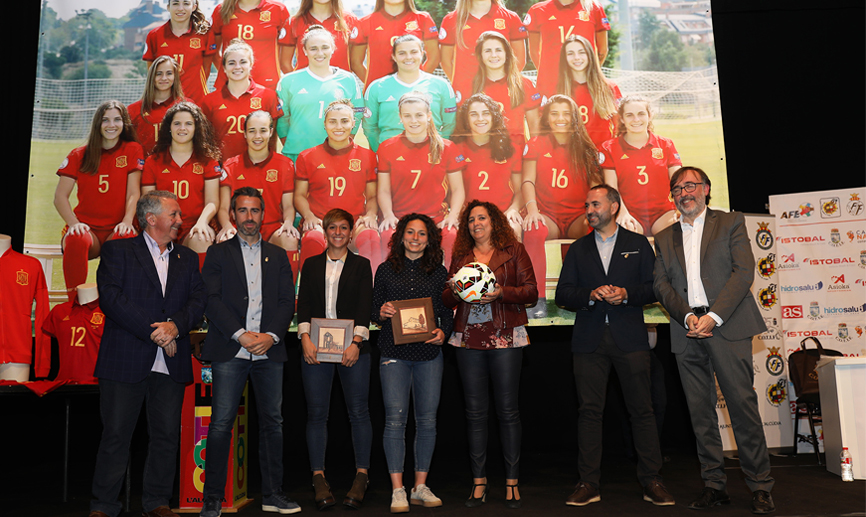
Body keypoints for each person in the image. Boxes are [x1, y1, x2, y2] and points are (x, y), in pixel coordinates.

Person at [652, 166, 775, 515]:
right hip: (686, 330)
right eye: (677, 189)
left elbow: (744, 272)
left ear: (706, 188)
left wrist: (713, 316)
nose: (684, 193)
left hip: (727, 324)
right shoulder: (663, 236)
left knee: (742, 407)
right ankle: (714, 485)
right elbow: (661, 285)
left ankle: (760, 486)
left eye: (690, 186)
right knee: (700, 414)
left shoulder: (731, 222)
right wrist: (687, 317)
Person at [554, 184, 673, 507]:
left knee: (642, 410)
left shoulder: (638, 244)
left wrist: (627, 294)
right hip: (589, 341)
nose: (589, 210)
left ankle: (652, 480)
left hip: (630, 338)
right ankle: (588, 483)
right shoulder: (578, 249)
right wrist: (590, 295)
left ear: (614, 206)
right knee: (589, 413)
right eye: (587, 205)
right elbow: (563, 294)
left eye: (595, 204)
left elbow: (654, 288)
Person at [88, 190, 206, 517]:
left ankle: (157, 502)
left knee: (166, 436)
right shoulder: (118, 251)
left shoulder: (187, 258)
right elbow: (111, 298)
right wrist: (156, 332)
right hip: (124, 359)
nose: (180, 220)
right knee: (116, 436)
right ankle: (103, 506)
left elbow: (198, 300)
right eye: (174, 214)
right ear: (151, 219)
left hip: (171, 361)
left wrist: (175, 327)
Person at [199, 187, 299, 517]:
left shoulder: (278, 255)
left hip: (269, 352)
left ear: (263, 215)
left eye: (255, 210)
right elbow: (211, 300)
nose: (249, 217)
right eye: (242, 210)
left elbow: (286, 301)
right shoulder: (217, 253)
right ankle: (212, 497)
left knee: (273, 424)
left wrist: (270, 336)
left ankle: (273, 494)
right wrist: (241, 335)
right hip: (231, 350)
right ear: (233, 215)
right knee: (220, 424)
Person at [443, 200, 537, 509]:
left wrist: (501, 293)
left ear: (494, 221)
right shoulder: (461, 257)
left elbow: (531, 291)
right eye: (471, 220)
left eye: (481, 218)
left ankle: (512, 482)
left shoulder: (514, 250)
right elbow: (446, 298)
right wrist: (455, 290)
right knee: (474, 413)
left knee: (508, 411)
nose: (476, 224)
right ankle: (479, 482)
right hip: (468, 338)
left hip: (505, 335)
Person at [372, 213, 453, 514]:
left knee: (427, 421)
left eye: (421, 233)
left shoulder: (439, 272)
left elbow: (446, 313)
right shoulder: (385, 270)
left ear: (429, 239)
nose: (415, 238)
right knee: (395, 420)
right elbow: (373, 310)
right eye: (410, 232)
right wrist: (381, 311)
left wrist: (444, 332)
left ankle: (420, 486)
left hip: (429, 355)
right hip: (393, 354)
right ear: (401, 236)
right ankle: (398, 490)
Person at [296, 208, 374, 511]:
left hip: (353, 349)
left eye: (343, 227)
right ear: (325, 232)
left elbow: (365, 307)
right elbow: (304, 305)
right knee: (317, 414)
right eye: (332, 228)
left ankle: (362, 476)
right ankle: (318, 477)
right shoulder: (311, 264)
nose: (338, 233)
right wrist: (304, 339)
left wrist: (356, 343)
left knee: (359, 413)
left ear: (351, 233)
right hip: (315, 348)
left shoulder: (362, 265)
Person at [54, 100, 143, 301]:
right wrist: (74, 224)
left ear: (124, 123)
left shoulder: (132, 149)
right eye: (105, 120)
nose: (111, 125)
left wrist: (127, 220)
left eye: (117, 120)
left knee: (126, 237)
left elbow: (133, 193)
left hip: (116, 228)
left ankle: (115, 304)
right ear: (97, 123)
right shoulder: (79, 154)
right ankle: (75, 304)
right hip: (88, 230)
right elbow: (60, 197)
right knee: (76, 238)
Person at [521, 94, 601, 317]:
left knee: (595, 228)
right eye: (554, 113)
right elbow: (527, 180)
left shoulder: (585, 146)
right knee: (534, 229)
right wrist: (532, 210)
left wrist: (593, 211)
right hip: (548, 215)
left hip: (577, 216)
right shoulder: (536, 143)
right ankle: (537, 299)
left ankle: (583, 294)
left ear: (575, 117)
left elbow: (596, 187)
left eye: (566, 114)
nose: (560, 118)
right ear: (546, 117)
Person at [376, 91, 464, 267]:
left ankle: (449, 282)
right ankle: (391, 283)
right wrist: (388, 215)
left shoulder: (446, 147)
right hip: (400, 219)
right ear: (400, 117)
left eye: (419, 115)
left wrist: (453, 216)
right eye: (407, 116)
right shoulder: (387, 147)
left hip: (436, 218)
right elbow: (383, 190)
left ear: (429, 116)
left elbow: (458, 189)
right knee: (387, 236)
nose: (413, 121)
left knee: (452, 236)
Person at [294, 100, 379, 274]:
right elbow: (299, 195)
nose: (338, 127)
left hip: (354, 223)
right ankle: (313, 288)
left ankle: (369, 288)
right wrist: (309, 216)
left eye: (344, 121)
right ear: (324, 124)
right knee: (312, 239)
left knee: (370, 236)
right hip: (320, 222)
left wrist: (370, 214)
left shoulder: (367, 156)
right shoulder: (307, 156)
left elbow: (372, 196)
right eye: (332, 121)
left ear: (353, 123)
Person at [216, 111, 299, 279]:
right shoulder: (231, 166)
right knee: (226, 241)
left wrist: (288, 222)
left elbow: (288, 205)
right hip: (239, 228)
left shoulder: (285, 164)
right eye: (252, 131)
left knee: (289, 238)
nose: (258, 136)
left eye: (263, 130)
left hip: (272, 228)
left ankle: (286, 292)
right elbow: (223, 208)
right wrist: (227, 226)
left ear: (271, 132)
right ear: (245, 134)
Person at [141, 101, 222, 268]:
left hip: (193, 224)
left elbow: (212, 201)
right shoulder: (153, 161)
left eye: (188, 124)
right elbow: (147, 202)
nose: (182, 128)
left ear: (196, 128)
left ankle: (201, 286)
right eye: (177, 123)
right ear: (169, 127)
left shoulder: (207, 160)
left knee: (201, 238)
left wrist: (202, 222)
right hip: (163, 226)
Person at [276, 25, 365, 162]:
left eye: (325, 47)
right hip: (297, 154)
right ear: (305, 51)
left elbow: (357, 112)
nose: (319, 53)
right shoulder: (288, 81)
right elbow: (282, 118)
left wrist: (343, 141)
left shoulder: (347, 79)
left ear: (333, 49)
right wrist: (293, 143)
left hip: (335, 154)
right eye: (313, 48)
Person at [600, 95, 682, 237]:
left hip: (663, 213)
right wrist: (622, 213)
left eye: (641, 114)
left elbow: (679, 181)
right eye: (629, 115)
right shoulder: (609, 148)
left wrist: (682, 208)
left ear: (650, 116)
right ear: (621, 119)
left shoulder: (665, 144)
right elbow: (612, 188)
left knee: (677, 233)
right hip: (630, 212)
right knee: (627, 237)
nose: (636, 119)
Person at [364, 35, 457, 152]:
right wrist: (382, 152)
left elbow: (449, 124)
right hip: (391, 155)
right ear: (394, 56)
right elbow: (369, 128)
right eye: (402, 53)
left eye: (414, 52)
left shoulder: (441, 85)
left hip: (430, 154)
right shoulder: (377, 87)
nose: (408, 57)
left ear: (422, 54)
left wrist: (437, 149)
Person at [451, 93, 523, 236]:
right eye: (474, 114)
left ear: (493, 117)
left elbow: (520, 190)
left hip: (502, 213)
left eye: (485, 113)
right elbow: (452, 190)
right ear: (466, 119)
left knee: (513, 230)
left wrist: (513, 209)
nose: (480, 119)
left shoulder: (510, 148)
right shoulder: (456, 149)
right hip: (469, 217)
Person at [201, 39, 284, 161]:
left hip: (259, 167)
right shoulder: (209, 101)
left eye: (243, 62)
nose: (237, 67)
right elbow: (205, 140)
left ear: (251, 64)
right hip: (222, 168)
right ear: (224, 67)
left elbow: (272, 138)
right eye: (231, 63)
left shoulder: (268, 96)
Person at [438, 0, 526, 106]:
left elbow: (519, 60)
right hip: (465, 93)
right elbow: (446, 61)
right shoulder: (451, 20)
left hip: (500, 91)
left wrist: (501, 82)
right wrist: (462, 83)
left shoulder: (510, 18)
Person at [524, 0, 610, 98]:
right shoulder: (538, 10)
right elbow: (534, 52)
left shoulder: (594, 7)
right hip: (550, 86)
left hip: (586, 84)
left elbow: (602, 51)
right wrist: (548, 74)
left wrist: (589, 73)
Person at [470, 32, 541, 147]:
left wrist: (533, 153)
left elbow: (534, 126)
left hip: (516, 153)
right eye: (488, 51)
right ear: (480, 55)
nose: (493, 55)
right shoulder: (472, 85)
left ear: (506, 53)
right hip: (482, 152)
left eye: (498, 50)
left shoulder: (523, 84)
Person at [349, 0, 439, 90]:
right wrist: (375, 86)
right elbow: (355, 63)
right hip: (380, 92)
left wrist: (417, 82)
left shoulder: (423, 18)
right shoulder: (365, 22)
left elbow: (434, 58)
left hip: (414, 91)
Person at [142, 0, 215, 106]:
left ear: (194, 7)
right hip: (165, 103)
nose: (180, 8)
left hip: (197, 102)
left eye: (186, 3)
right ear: (168, 7)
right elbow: (152, 72)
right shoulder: (154, 35)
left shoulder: (205, 33)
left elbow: (206, 68)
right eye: (175, 3)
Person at [210, 0, 292, 91]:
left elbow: (285, 61)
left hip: (267, 86)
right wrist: (234, 72)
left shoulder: (278, 9)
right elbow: (214, 53)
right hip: (230, 86)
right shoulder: (221, 10)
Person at [557, 34, 621, 150]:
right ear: (564, 58)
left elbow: (620, 126)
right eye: (570, 53)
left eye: (582, 52)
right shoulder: (558, 90)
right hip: (571, 155)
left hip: (603, 155)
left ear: (590, 55)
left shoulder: (609, 87)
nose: (576, 57)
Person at [128, 55, 184, 155]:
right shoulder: (133, 110)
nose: (164, 78)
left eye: (169, 73)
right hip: (144, 164)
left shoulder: (186, 106)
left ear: (175, 76)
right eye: (158, 74)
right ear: (151, 77)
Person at [282, 0, 358, 72]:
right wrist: (298, 80)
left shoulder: (350, 20)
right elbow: (285, 63)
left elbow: (355, 63)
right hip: (306, 81)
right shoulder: (294, 22)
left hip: (340, 81)